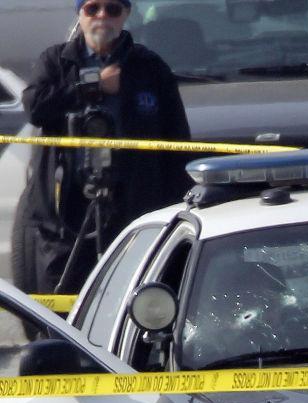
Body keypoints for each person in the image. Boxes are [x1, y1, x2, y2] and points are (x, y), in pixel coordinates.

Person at [12, 0, 191, 295]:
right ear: (79, 14)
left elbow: (177, 143)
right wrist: (92, 87)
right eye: (92, 8)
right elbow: (36, 108)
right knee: (64, 300)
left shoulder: (149, 67)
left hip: (133, 209)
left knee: (134, 295)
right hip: (67, 213)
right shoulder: (57, 61)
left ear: (126, 14)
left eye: (112, 9)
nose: (102, 17)